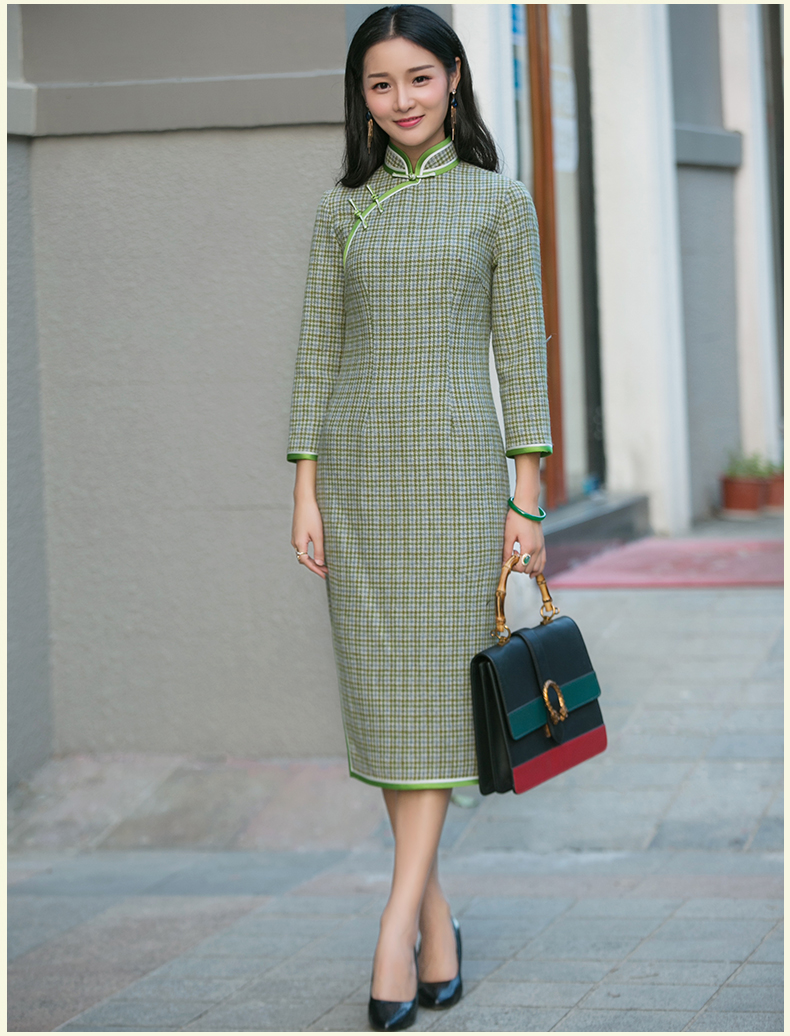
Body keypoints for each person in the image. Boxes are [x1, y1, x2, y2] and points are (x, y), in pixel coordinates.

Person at [287, 6, 552, 1030]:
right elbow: (315, 352)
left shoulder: (499, 202)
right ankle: (437, 925)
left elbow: (520, 354)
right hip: (356, 480)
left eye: (418, 78)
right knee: (387, 701)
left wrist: (525, 495)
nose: (401, 99)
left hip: (455, 479)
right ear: (361, 97)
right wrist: (305, 487)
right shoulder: (340, 210)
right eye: (379, 83)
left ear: (453, 78)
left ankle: (394, 923)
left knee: (436, 698)